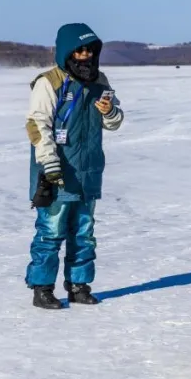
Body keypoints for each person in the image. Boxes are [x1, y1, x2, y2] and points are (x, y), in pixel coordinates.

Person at [24, 23, 124, 309]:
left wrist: (110, 111)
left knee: (84, 232)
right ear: (67, 51)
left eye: (90, 50)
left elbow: (114, 122)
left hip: (88, 172)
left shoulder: (100, 81)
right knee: (51, 231)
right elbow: (36, 125)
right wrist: (50, 164)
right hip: (56, 172)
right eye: (79, 50)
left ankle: (79, 285)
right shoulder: (50, 82)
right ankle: (42, 287)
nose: (85, 55)